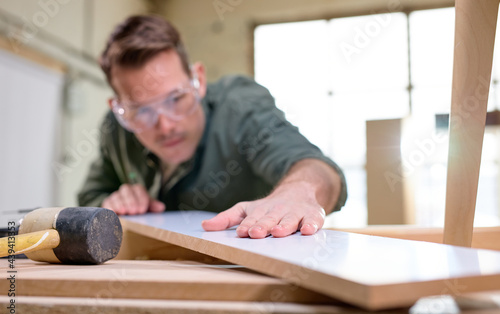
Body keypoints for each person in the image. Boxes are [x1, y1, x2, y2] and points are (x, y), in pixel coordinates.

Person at [78, 15, 347, 239]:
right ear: (118, 107)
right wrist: (110, 203)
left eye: (176, 99)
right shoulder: (116, 128)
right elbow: (89, 196)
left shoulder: (240, 106)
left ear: (199, 80)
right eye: (141, 111)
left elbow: (318, 169)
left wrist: (299, 192)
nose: (166, 125)